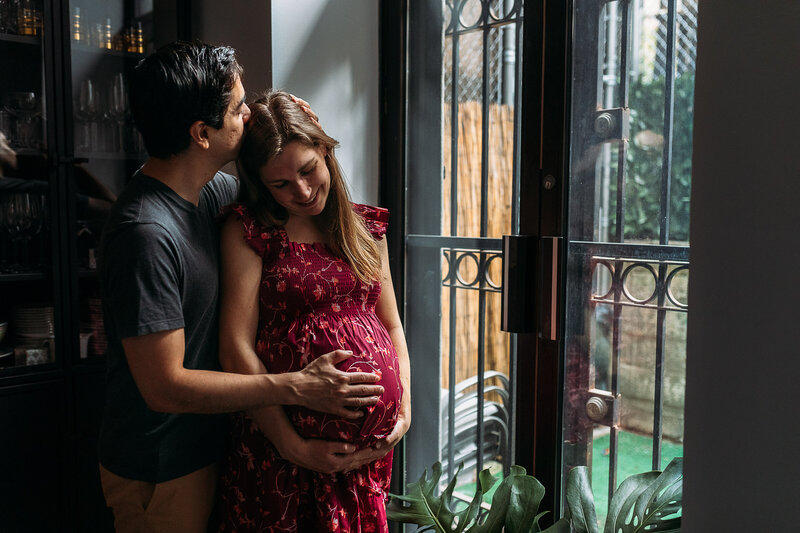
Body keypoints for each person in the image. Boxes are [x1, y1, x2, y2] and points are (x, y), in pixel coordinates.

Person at [97, 42, 384, 533]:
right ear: (201, 134)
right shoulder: (145, 233)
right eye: (236, 108)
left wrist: (293, 122)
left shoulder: (209, 192)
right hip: (163, 468)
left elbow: (291, 185)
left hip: (216, 447)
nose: (247, 114)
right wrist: (298, 388)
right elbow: (165, 386)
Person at [214, 90, 411, 532]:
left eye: (308, 170)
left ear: (325, 148)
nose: (301, 191)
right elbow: (234, 350)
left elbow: (391, 325)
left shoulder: (364, 228)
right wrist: (292, 445)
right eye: (280, 184)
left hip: (363, 466)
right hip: (280, 454)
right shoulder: (250, 231)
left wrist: (405, 413)